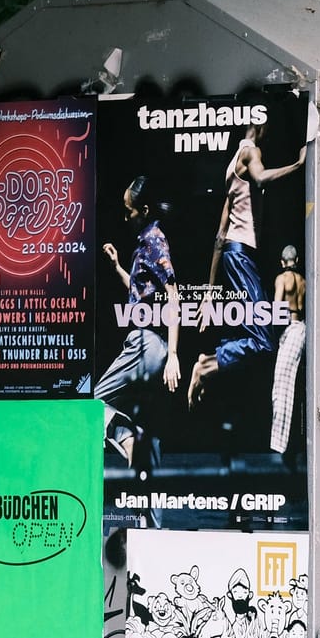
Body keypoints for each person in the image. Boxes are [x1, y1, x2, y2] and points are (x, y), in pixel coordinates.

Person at [187, 123, 306, 407]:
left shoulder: (231, 168)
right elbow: (262, 178)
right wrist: (299, 164)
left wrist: (209, 293)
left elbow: (219, 237)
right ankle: (206, 367)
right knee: (264, 340)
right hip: (241, 254)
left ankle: (209, 362)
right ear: (261, 126)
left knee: (254, 333)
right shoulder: (252, 152)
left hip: (233, 254)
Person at [99, 176, 182, 468]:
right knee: (149, 427)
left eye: (128, 210)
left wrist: (174, 355)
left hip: (146, 344)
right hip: (152, 347)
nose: (125, 216)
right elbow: (139, 296)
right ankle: (146, 497)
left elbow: (173, 295)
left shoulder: (153, 239)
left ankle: (127, 436)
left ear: (144, 210)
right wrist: (118, 268)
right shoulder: (145, 243)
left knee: (90, 407)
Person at [269, 244, 307, 457]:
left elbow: (277, 308)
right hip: (302, 329)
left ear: (282, 262)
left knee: (281, 388)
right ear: (297, 260)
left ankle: (279, 446)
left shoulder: (282, 279)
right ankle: (289, 444)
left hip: (291, 330)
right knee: (292, 385)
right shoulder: (304, 282)